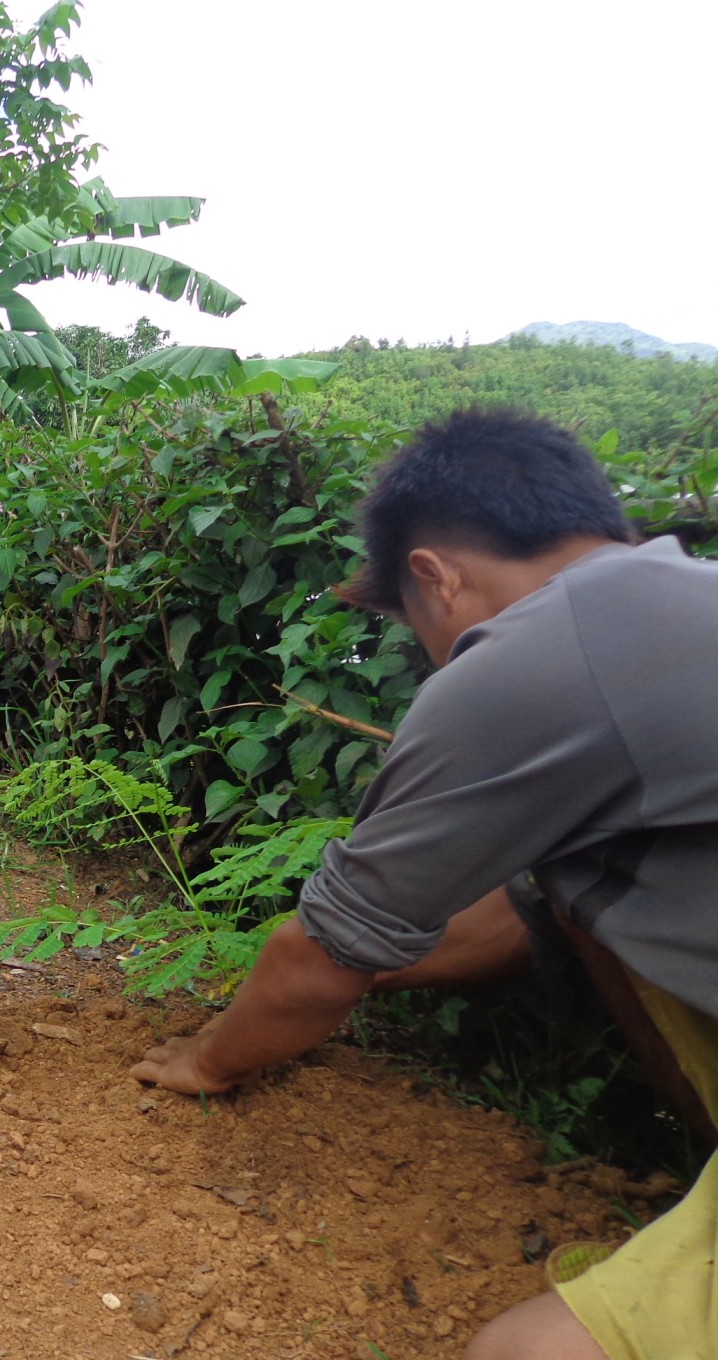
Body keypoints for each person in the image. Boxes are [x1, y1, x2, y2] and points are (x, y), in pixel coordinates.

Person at [128, 409, 718, 1360]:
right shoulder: (673, 594)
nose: (429, 656)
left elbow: (324, 955)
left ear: (433, 576)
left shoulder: (538, 651)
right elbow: (512, 921)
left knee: (518, 1355)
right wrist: (355, 972)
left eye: (413, 631)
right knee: (572, 892)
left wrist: (212, 1058)